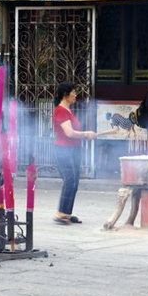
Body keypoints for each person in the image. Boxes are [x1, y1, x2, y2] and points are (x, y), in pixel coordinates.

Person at [52, 82, 97, 225]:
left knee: (74, 182)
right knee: (70, 181)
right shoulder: (60, 111)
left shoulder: (68, 111)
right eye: (73, 92)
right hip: (64, 149)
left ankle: (66, 213)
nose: (75, 95)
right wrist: (86, 134)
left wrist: (85, 135)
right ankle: (61, 213)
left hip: (73, 149)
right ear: (66, 94)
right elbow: (69, 133)